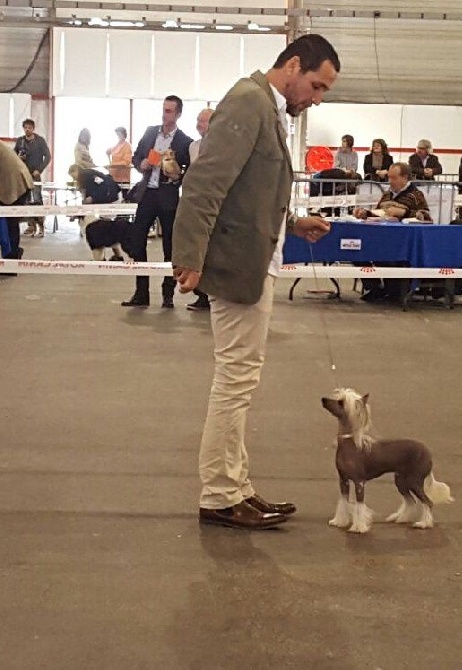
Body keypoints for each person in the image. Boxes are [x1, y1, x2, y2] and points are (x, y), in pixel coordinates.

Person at [172, 34, 339, 530]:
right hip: (238, 267)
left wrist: (292, 222)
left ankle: (236, 487)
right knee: (234, 382)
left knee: (239, 382)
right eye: (316, 85)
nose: (316, 97)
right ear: (292, 65)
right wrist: (189, 256)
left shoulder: (265, 107)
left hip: (255, 259)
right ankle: (221, 495)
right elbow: (204, 183)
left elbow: (251, 191)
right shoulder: (248, 101)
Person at [121, 95, 193, 309]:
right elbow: (135, 157)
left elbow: (190, 170)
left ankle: (167, 293)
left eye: (169, 111)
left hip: (168, 196)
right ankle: (141, 292)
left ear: (178, 114)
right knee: (137, 241)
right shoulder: (150, 132)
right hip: (147, 193)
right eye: (163, 109)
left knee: (170, 246)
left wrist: (177, 176)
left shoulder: (184, 142)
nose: (165, 114)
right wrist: (140, 163)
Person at [353, 162, 431, 302]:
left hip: (403, 243)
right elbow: (377, 213)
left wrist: (405, 212)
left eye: (394, 178)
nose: (390, 181)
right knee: (355, 249)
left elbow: (426, 218)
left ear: (405, 178)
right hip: (381, 237)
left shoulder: (416, 195)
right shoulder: (387, 195)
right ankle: (374, 287)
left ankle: (394, 290)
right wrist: (365, 213)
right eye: (389, 177)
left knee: (388, 256)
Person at [186, 108, 214, 312]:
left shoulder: (224, 146)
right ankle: (201, 295)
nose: (199, 124)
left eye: (203, 121)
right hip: (196, 204)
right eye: (198, 120)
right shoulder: (193, 147)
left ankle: (212, 295)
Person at [14, 118, 51, 237]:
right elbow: (13, 156)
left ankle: (41, 227)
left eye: (29, 127)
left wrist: (39, 170)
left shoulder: (40, 141)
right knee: (25, 201)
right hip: (22, 176)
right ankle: (31, 226)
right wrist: (18, 157)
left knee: (37, 200)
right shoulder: (20, 141)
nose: (27, 130)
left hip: (35, 176)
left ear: (33, 128)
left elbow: (48, 156)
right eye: (25, 127)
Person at [0, 141, 33, 269]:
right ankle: (13, 254)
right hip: (13, 180)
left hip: (15, 183)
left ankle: (11, 262)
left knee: (10, 223)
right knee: (9, 223)